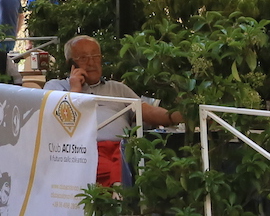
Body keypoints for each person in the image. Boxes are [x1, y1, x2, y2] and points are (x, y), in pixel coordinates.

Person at [49, 34, 181, 186]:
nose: (91, 62)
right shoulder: (56, 87)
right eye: (83, 58)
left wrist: (181, 115)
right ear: (70, 64)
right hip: (82, 151)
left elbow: (149, 112)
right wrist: (75, 88)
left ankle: (119, 196)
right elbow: (59, 120)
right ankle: (117, 196)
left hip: (122, 149)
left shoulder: (118, 88)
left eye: (95, 56)